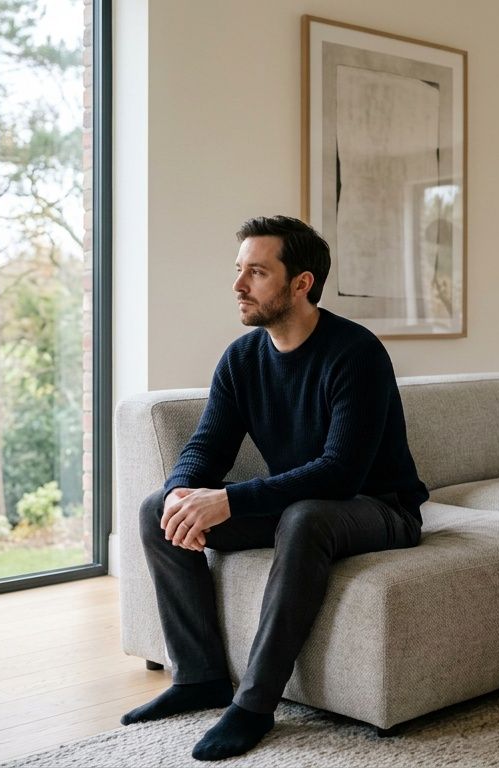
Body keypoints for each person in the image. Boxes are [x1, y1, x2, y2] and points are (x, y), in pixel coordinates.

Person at [121, 215, 429, 760]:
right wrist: (182, 491)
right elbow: (206, 446)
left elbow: (340, 473)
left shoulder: (356, 353)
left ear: (301, 283)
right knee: (154, 510)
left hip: (382, 509)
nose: (238, 286)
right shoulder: (242, 359)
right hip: (303, 505)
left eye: (256, 273)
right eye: (239, 270)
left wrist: (231, 500)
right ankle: (199, 677)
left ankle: (254, 705)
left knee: (306, 515)